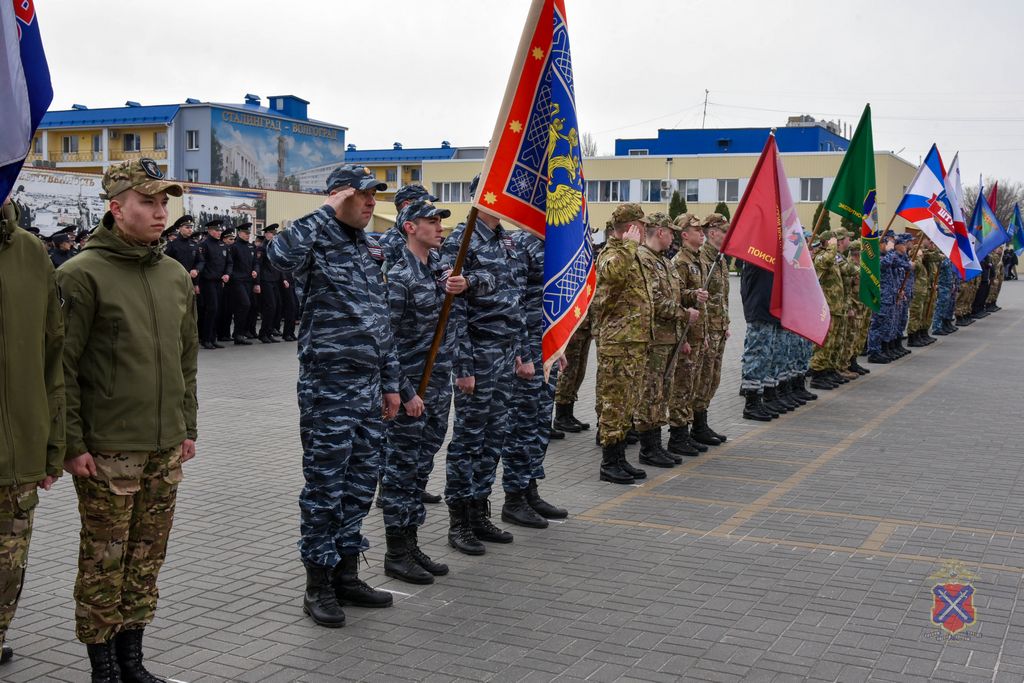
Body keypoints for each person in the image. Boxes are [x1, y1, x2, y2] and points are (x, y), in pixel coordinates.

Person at [57, 158, 198, 682]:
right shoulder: (80, 274)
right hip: (109, 449)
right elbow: (63, 369)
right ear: (116, 208)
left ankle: (133, 662)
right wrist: (71, 443)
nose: (161, 213)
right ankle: (103, 671)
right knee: (103, 563)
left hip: (164, 447)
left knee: (145, 559)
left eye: (165, 202)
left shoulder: (174, 275)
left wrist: (188, 426)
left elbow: (188, 358)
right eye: (148, 202)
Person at [267, 165, 398, 628]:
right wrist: (326, 208)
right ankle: (317, 584)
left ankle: (346, 572)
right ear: (338, 195)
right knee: (326, 488)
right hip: (329, 387)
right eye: (361, 196)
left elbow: (381, 321)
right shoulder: (316, 238)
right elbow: (278, 255)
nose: (370, 203)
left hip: (368, 388)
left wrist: (391, 383)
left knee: (361, 486)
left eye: (373, 197)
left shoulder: (370, 248)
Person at [440, 175, 530, 553]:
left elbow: (517, 298)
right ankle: (459, 521)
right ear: (485, 195)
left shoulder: (505, 239)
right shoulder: (460, 240)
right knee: (468, 440)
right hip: (478, 354)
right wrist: (463, 367)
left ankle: (480, 511)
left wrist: (522, 351)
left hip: (506, 351)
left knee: (494, 438)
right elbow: (453, 309)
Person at [379, 200, 465, 583]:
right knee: (401, 471)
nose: (439, 227)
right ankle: (397, 552)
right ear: (410, 228)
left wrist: (461, 286)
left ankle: (412, 543)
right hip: (412, 391)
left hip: (437, 388)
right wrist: (405, 390)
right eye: (431, 222)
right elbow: (387, 341)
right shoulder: (399, 276)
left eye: (440, 221)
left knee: (420, 469)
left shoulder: (437, 272)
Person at [0, 201, 65, 668]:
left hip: (17, 453)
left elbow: (52, 354)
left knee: (7, 572)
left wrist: (52, 443)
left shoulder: (29, 252)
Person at [501, 228, 569, 529]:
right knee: (522, 425)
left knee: (541, 421)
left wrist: (557, 347)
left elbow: (550, 300)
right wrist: (523, 353)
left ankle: (530, 489)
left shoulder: (548, 243)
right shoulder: (521, 244)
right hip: (528, 349)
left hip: (546, 347)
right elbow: (513, 304)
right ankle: (514, 498)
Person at [594, 204, 652, 484]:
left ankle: (619, 458)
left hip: (634, 341)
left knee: (628, 401)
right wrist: (629, 246)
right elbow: (613, 274)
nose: (644, 230)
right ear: (630, 227)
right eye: (640, 225)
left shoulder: (632, 254)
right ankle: (609, 462)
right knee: (613, 403)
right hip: (617, 342)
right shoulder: (612, 252)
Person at [632, 212, 685, 468]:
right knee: (650, 392)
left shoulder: (663, 261)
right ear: (661, 232)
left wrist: (689, 295)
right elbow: (655, 300)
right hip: (653, 339)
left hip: (668, 338)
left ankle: (656, 444)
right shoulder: (644, 259)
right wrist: (684, 313)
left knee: (661, 392)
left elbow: (671, 294)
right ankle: (648, 448)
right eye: (671, 232)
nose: (673, 236)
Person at [667, 213, 709, 456]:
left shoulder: (698, 259)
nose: (701, 232)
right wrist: (693, 295)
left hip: (699, 331)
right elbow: (677, 295)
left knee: (692, 383)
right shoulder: (680, 261)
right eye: (696, 229)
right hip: (686, 332)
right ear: (684, 234)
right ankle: (677, 435)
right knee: (681, 386)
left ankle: (689, 429)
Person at [691, 214, 731, 444]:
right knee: (701, 377)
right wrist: (703, 330)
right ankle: (694, 426)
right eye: (724, 232)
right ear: (713, 232)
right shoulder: (704, 259)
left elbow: (722, 296)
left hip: (719, 326)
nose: (728, 236)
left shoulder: (720, 259)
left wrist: (726, 323)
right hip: (706, 328)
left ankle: (701, 422)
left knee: (712, 378)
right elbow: (700, 298)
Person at [379, 184, 438, 269]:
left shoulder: (426, 237)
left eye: (430, 203)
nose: (431, 208)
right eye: (424, 203)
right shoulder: (388, 242)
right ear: (406, 206)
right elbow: (386, 279)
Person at [195, 219, 232, 349]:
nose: (219, 232)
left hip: (219, 282)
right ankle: (206, 339)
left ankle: (213, 338)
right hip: (208, 282)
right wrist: (197, 284)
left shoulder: (223, 245)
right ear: (210, 231)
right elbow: (201, 263)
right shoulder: (204, 245)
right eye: (216, 230)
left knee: (217, 310)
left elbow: (229, 262)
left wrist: (227, 274)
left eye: (220, 230)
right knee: (211, 309)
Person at [227, 223, 259, 345]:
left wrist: (255, 270)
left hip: (248, 281)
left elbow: (256, 262)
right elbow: (230, 263)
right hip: (237, 281)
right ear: (239, 233)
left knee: (246, 306)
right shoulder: (234, 247)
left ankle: (239, 333)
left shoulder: (251, 247)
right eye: (245, 233)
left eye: (248, 233)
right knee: (245, 304)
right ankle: (238, 333)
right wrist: (232, 277)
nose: (247, 235)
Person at [164, 215, 200, 301]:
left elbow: (200, 261)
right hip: (176, 282)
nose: (190, 229)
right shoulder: (172, 245)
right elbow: (165, 265)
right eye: (187, 227)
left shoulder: (194, 245)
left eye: (191, 227)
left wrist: (196, 270)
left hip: (191, 282)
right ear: (179, 228)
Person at [257, 224, 284, 343]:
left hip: (274, 280)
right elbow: (258, 265)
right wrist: (257, 283)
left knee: (276, 306)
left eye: (275, 234)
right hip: (265, 280)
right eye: (272, 234)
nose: (274, 236)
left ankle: (269, 332)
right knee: (270, 306)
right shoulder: (262, 248)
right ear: (266, 234)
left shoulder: (274, 247)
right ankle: (263, 333)